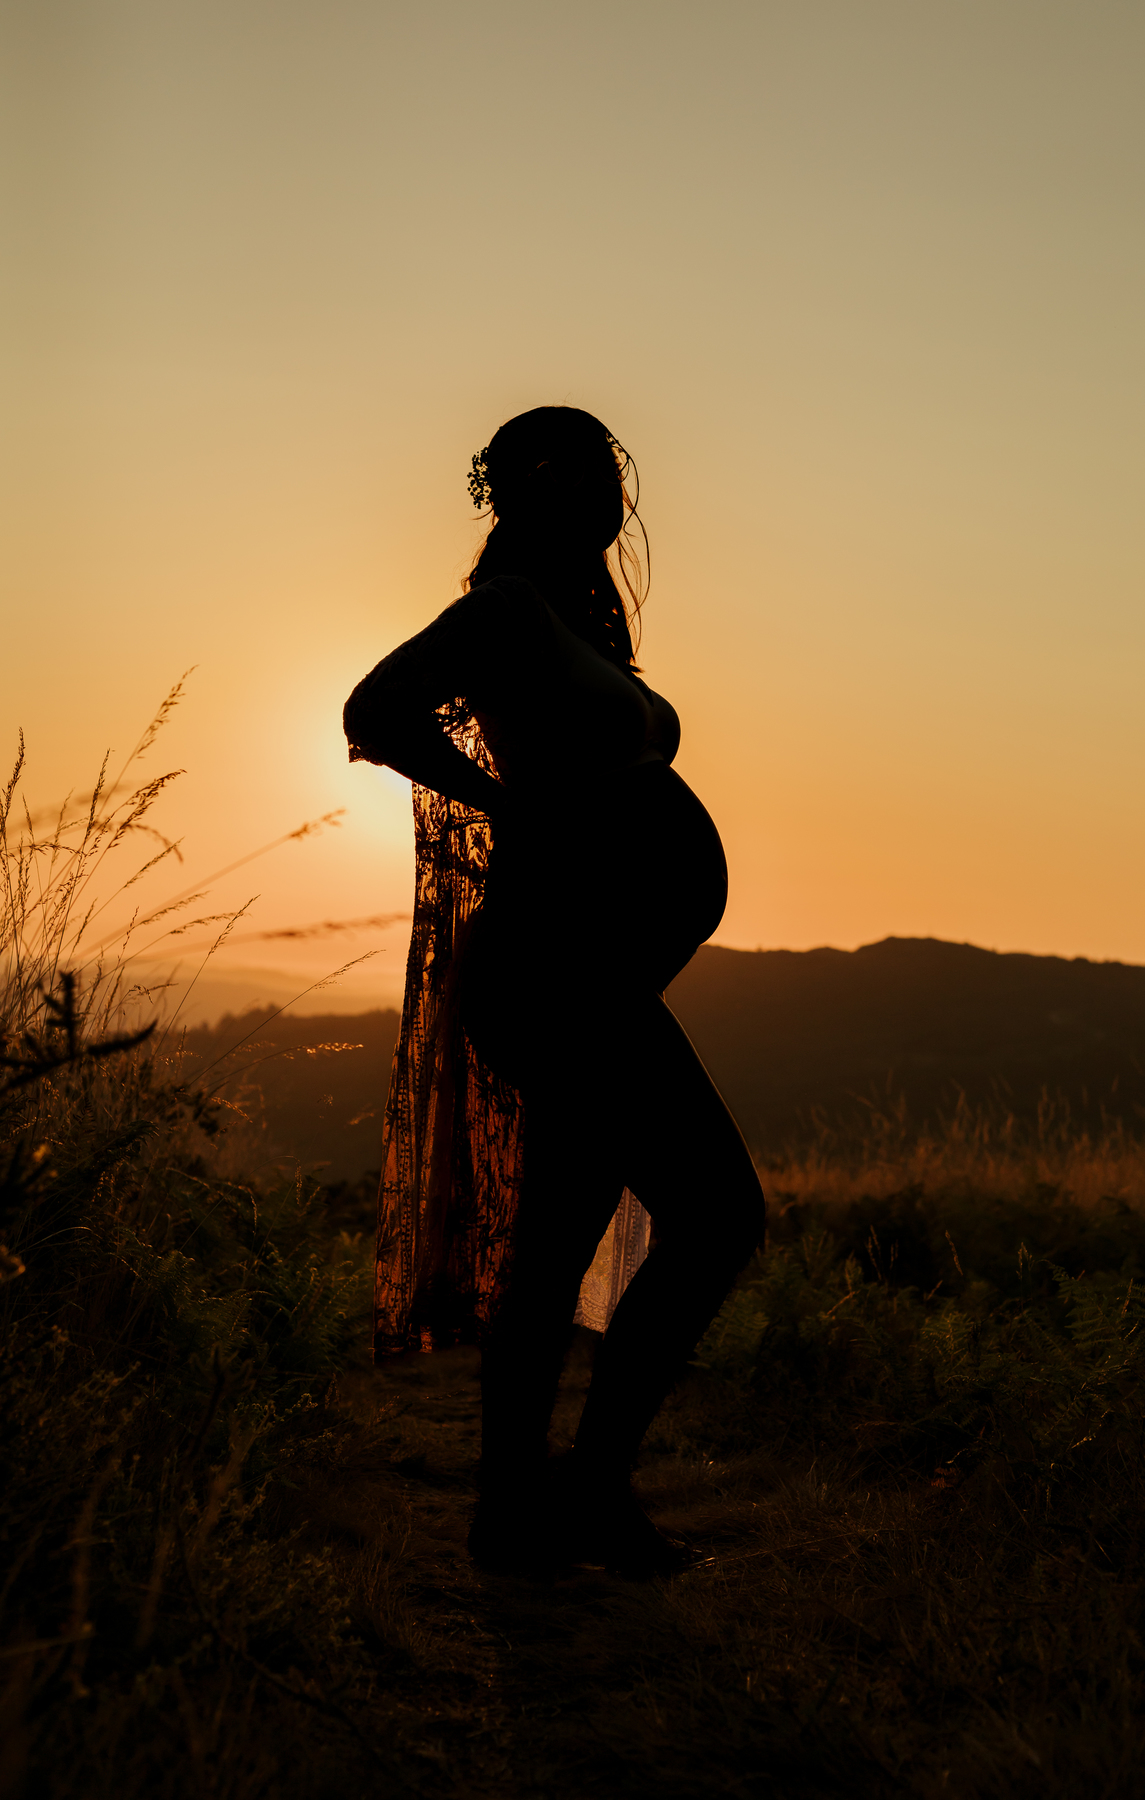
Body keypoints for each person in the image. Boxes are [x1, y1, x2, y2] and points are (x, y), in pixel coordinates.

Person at [344, 405, 765, 1576]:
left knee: (551, 1248)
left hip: (591, 968)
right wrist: (500, 802)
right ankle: (585, 1493)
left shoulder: (572, 629)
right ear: (525, 494)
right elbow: (374, 712)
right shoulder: (509, 611)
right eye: (570, 473)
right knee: (721, 1215)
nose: (601, 493)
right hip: (555, 967)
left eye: (604, 470)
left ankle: (514, 1513)